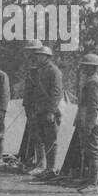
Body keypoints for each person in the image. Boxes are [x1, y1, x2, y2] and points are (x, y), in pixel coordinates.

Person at [30, 45, 64, 180]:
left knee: (51, 140)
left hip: (50, 111)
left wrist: (51, 111)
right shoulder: (39, 71)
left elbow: (56, 93)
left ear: (47, 57)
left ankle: (51, 169)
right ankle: (45, 167)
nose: (37, 57)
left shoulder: (54, 71)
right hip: (40, 110)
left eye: (39, 55)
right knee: (43, 139)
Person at [75, 53, 98, 194]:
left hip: (90, 120)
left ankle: (94, 183)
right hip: (86, 118)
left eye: (86, 66)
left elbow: (93, 106)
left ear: (92, 67)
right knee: (89, 151)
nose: (83, 68)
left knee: (93, 152)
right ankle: (91, 180)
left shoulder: (93, 82)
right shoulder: (90, 80)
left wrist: (89, 125)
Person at [18, 38, 43, 171]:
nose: (29, 55)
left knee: (39, 135)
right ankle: (32, 159)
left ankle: (40, 163)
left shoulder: (39, 69)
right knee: (33, 133)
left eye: (32, 52)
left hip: (36, 106)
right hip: (30, 105)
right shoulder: (32, 67)